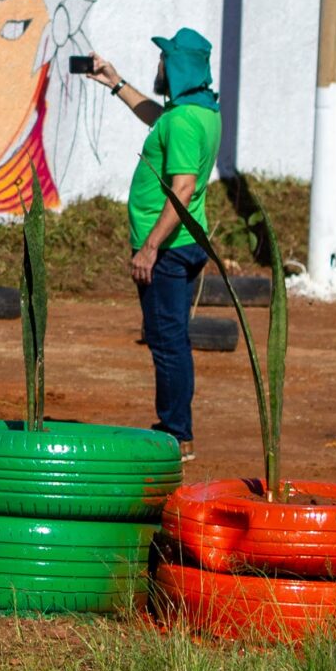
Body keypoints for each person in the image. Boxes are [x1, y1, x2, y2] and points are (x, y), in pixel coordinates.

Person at [84, 30, 223, 459]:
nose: (158, 67)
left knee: (167, 342)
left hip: (168, 247)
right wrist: (116, 82)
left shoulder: (182, 120)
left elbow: (181, 188)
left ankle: (176, 432)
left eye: (163, 60)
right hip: (186, 241)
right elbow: (156, 120)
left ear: (176, 67)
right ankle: (177, 427)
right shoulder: (199, 111)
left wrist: (149, 248)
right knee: (172, 337)